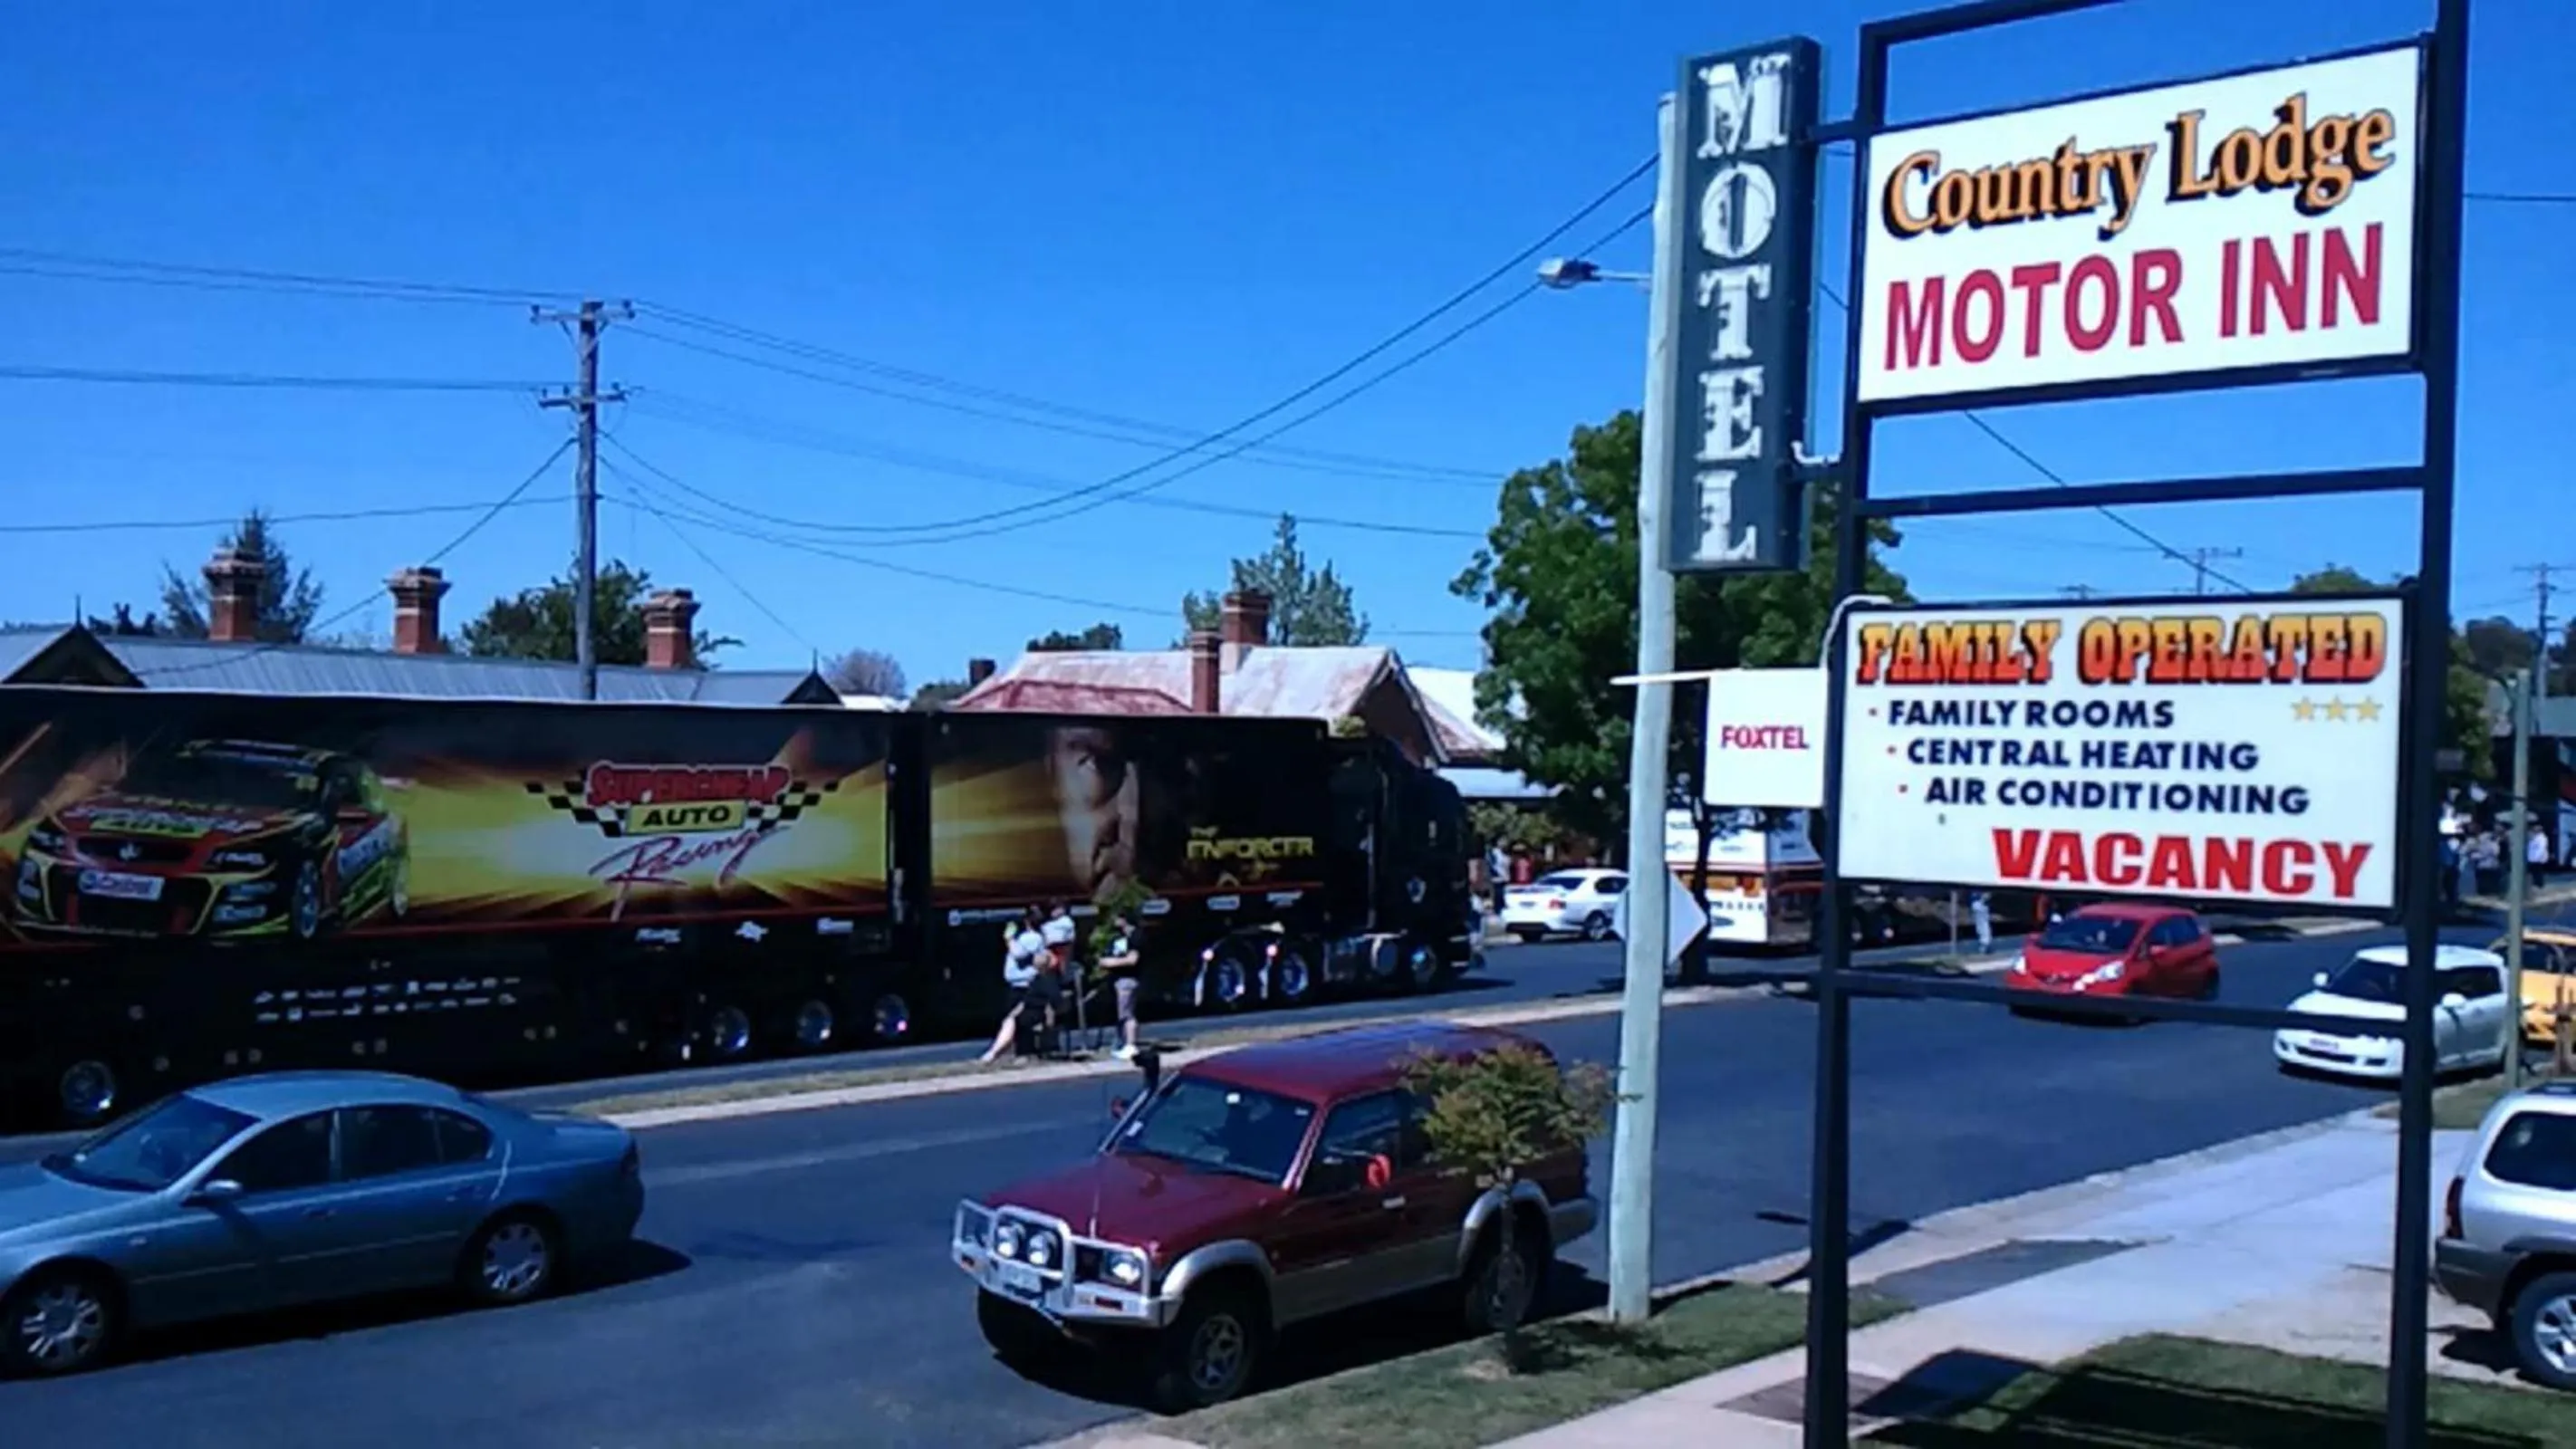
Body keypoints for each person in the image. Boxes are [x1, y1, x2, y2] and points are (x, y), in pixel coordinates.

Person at [977, 907, 1051, 1064]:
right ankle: (1016, 1052)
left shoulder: (1032, 937)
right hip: (1017, 983)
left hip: (1024, 985)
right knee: (1015, 1021)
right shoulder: (1028, 937)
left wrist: (1009, 939)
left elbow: (1019, 954)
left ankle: (1012, 1052)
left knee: (1016, 1020)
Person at [1098, 910, 1144, 1060]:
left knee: (1127, 1013)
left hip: (1128, 979)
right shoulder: (1119, 938)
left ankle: (1131, 1045)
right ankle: (1124, 1043)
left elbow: (1132, 959)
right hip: (1117, 979)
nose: (1114, 920)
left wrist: (1110, 962)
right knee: (1121, 1013)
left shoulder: (1136, 936)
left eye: (1117, 917)